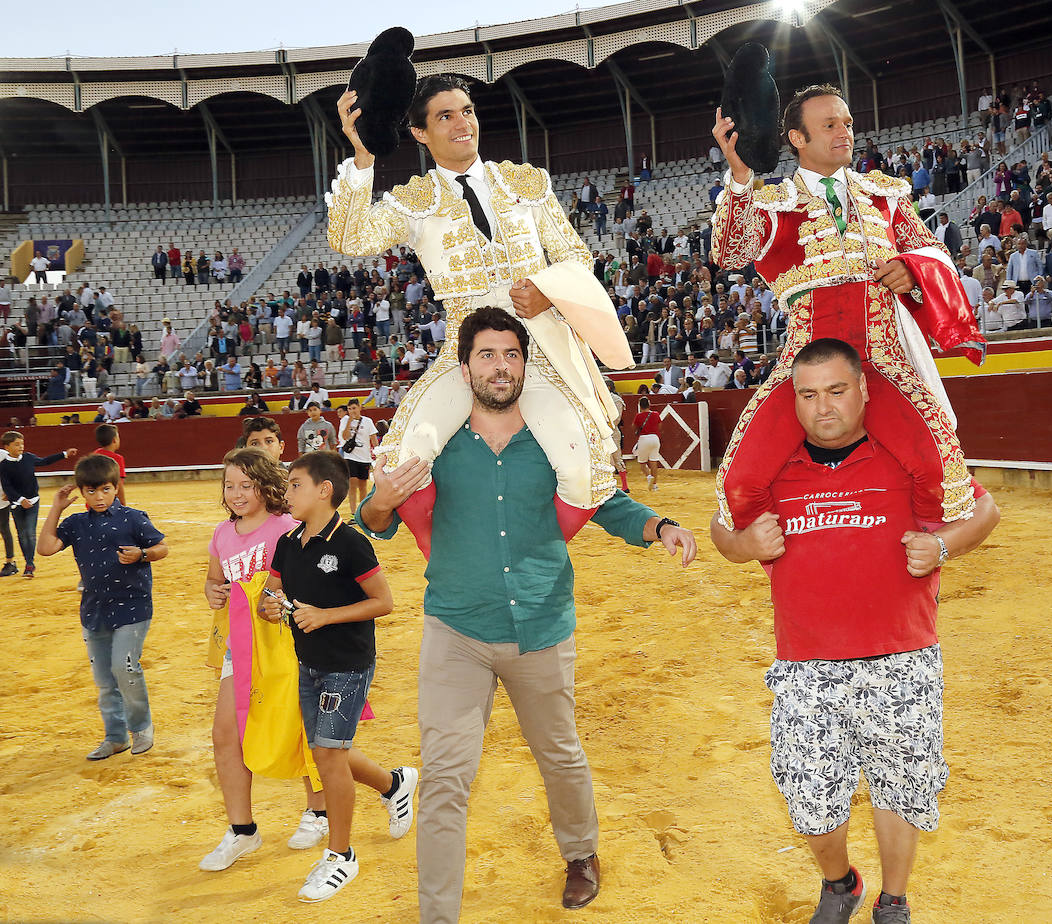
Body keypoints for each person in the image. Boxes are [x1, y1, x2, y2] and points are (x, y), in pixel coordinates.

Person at [355, 308, 697, 923]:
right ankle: (438, 916)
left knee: (559, 754)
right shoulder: (437, 443)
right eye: (487, 354)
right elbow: (376, 523)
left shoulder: (553, 437)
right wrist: (380, 501)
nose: (500, 366)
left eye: (511, 354)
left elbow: (603, 501)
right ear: (465, 370)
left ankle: (581, 853)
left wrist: (658, 525)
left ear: (525, 365)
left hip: (541, 625)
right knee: (444, 779)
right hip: (456, 631)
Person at [709, 339, 1000, 924]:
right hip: (806, 663)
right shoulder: (774, 470)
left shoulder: (905, 459)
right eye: (808, 394)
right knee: (809, 797)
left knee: (901, 788)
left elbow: (985, 510)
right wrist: (742, 545)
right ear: (793, 401)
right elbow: (722, 527)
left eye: (837, 391)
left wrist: (943, 546)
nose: (823, 407)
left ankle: (893, 900)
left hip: (902, 655)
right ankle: (840, 883)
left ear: (864, 390)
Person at [328, 75, 631, 555]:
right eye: (445, 116)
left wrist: (548, 292)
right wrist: (363, 158)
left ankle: (529, 558)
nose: (461, 123)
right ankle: (453, 560)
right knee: (402, 462)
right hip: (463, 354)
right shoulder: (415, 200)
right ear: (420, 133)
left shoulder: (526, 182)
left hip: (539, 350)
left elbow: (576, 255)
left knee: (581, 471)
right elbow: (350, 239)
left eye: (466, 111)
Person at [710, 84, 984, 538]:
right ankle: (797, 561)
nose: (845, 132)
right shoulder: (772, 203)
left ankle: (916, 560)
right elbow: (730, 251)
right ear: (798, 138)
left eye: (848, 123)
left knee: (943, 470)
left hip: (882, 360)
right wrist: (739, 175)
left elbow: (934, 253)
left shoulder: (885, 195)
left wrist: (911, 268)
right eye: (830, 125)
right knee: (738, 482)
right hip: (805, 368)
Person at [258, 451, 415, 903]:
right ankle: (394, 784)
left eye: (295, 485)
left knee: (327, 755)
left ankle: (341, 855)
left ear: (324, 490)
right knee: (328, 752)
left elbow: (383, 602)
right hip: (308, 663)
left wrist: (326, 616)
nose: (287, 493)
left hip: (346, 666)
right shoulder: (288, 543)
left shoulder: (350, 543)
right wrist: (269, 607)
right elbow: (270, 595)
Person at [200, 447, 334, 870]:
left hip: (288, 644)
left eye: (247, 485)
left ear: (266, 486)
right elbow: (214, 580)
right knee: (225, 734)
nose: (237, 494)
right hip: (241, 647)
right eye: (230, 486)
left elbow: (313, 579)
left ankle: (318, 811)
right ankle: (242, 830)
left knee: (302, 727)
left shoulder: (287, 527)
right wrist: (213, 592)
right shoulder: (222, 534)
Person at [37, 454, 167, 760]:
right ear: (82, 491)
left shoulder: (133, 518)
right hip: (94, 610)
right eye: (92, 491)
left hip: (133, 607)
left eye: (106, 489)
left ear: (116, 486)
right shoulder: (76, 523)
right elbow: (45, 548)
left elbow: (162, 547)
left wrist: (142, 555)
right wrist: (56, 507)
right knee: (105, 679)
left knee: (124, 667)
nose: (99, 497)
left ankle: (141, 727)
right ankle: (116, 736)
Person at [0, 433, 77, 578]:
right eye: (16, 444)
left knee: (29, 532)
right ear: (7, 447)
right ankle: (28, 562)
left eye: (22, 444)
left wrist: (64, 454)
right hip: (17, 504)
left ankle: (29, 564)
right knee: (22, 535)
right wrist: (20, 499)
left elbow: (45, 461)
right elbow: (7, 487)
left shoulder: (28, 457)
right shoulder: (3, 466)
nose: (21, 447)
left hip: (33, 502)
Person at [338, 399, 378, 518]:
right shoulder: (345, 420)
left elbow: (373, 439)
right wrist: (349, 422)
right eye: (349, 409)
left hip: (365, 458)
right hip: (350, 456)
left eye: (354, 408)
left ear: (359, 407)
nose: (352, 411)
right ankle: (353, 513)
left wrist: (378, 453)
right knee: (352, 484)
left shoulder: (367, 421)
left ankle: (362, 513)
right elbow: (344, 437)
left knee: (363, 486)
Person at [90, 423, 127, 507]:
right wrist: (122, 504)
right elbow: (118, 483)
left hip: (94, 500)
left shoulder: (94, 455)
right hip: (111, 502)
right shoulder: (117, 458)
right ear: (114, 440)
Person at [631, 395, 663, 491]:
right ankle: (654, 486)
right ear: (649, 405)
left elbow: (634, 427)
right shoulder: (655, 414)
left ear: (640, 406)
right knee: (653, 462)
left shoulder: (638, 416)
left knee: (642, 463)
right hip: (655, 438)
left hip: (644, 439)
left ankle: (649, 477)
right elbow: (660, 426)